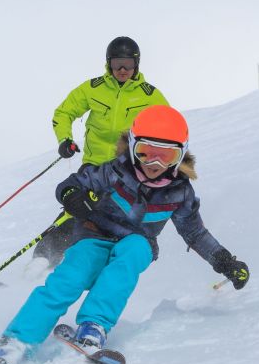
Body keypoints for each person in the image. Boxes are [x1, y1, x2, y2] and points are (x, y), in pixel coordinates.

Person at [0, 105, 250, 364]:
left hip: (137, 241)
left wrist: (225, 262)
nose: (154, 164)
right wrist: (72, 195)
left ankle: (94, 326)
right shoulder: (114, 171)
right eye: (145, 153)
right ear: (133, 147)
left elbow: (195, 233)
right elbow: (75, 182)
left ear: (180, 156)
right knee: (70, 278)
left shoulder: (180, 192)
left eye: (166, 156)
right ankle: (17, 341)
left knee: (133, 254)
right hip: (94, 235)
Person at [34, 36, 170, 266]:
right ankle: (40, 263)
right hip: (94, 167)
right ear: (108, 64)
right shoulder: (93, 88)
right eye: (117, 64)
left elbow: (168, 130)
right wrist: (65, 139)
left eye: (128, 64)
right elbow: (64, 113)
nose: (123, 70)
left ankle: (107, 263)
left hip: (128, 171)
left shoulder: (150, 96)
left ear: (137, 64)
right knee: (75, 210)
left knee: (116, 220)